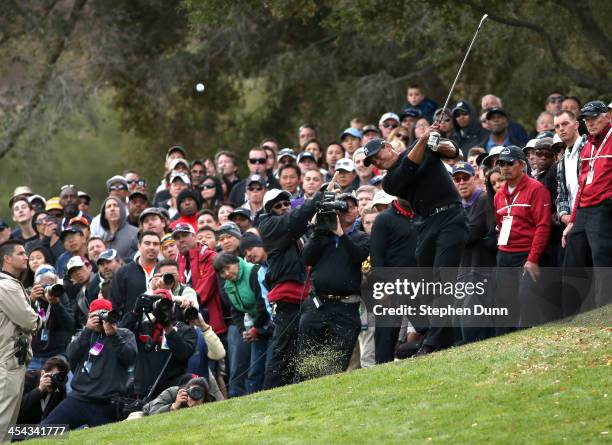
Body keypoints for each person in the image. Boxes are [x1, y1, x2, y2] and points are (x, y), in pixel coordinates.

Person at [363, 122, 467, 356]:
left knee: (443, 278)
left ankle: (432, 343)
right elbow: (409, 167)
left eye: (377, 156)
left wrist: (439, 142)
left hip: (451, 216)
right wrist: (423, 139)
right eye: (374, 163)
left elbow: (454, 153)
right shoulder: (390, 182)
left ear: (388, 146)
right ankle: (445, 337)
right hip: (427, 222)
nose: (378, 163)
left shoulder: (422, 146)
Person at [297, 193, 368, 380]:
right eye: (342, 207)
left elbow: (357, 255)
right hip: (318, 305)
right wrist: (319, 229)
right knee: (307, 360)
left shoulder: (362, 237)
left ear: (358, 211)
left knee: (335, 366)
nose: (347, 210)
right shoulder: (322, 236)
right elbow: (306, 258)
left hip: (347, 308)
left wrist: (341, 234)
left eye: (352, 207)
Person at [259, 188, 321, 389]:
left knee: (306, 346)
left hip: (305, 297)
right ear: (270, 212)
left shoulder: (299, 232)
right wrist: (318, 198)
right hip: (286, 298)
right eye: (278, 206)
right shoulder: (268, 225)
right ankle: (270, 392)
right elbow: (294, 219)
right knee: (282, 349)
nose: (284, 208)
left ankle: (301, 388)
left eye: (287, 203)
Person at [42, 299, 137, 429]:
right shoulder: (85, 335)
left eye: (103, 315)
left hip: (106, 403)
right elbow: (71, 355)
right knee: (44, 430)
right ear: (88, 317)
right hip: (79, 399)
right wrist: (87, 330)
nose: (100, 319)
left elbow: (130, 359)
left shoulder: (124, 334)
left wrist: (114, 336)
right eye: (95, 316)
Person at [493, 146, 552, 328]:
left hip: (527, 255)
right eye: (501, 164)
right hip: (504, 255)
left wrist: (533, 259)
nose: (505, 167)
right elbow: (501, 224)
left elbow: (543, 226)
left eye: (510, 163)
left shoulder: (536, 189)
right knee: (504, 307)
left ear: (522, 165)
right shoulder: (499, 195)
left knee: (527, 303)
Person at [562, 100, 612, 314]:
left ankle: (604, 307)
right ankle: (573, 312)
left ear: (606, 116)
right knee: (573, 255)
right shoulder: (587, 145)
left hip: (604, 206)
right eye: (586, 119)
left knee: (602, 257)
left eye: (594, 118)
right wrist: (572, 219)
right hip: (583, 209)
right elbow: (582, 184)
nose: (590, 123)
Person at [0, 240, 42, 443]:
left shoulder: (10, 284)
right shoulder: (6, 285)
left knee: (8, 422)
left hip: (12, 358)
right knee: (3, 420)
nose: (26, 257)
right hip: (6, 361)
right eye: (21, 253)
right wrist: (39, 318)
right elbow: (29, 320)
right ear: (7, 258)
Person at [120, 289, 196, 399]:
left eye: (165, 303)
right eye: (158, 302)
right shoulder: (142, 326)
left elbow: (183, 353)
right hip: (142, 390)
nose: (161, 307)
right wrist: (135, 312)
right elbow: (121, 335)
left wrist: (167, 327)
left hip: (171, 390)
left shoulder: (184, 329)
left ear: (172, 306)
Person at [213, 253, 272, 395]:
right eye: (222, 272)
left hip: (270, 323)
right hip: (256, 328)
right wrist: (243, 331)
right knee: (255, 370)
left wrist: (255, 328)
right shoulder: (228, 285)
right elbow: (235, 310)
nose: (226, 273)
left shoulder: (253, 272)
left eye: (228, 268)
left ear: (236, 262)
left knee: (271, 366)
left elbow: (262, 303)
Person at [173, 224, 227, 336]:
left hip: (210, 323)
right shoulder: (176, 261)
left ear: (194, 236)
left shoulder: (211, 257)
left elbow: (203, 293)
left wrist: (181, 301)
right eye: (177, 238)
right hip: (185, 323)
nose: (181, 240)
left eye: (184, 235)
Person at [28, 265, 74, 371]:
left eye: (51, 284)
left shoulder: (61, 297)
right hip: (33, 356)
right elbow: (22, 322)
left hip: (57, 355)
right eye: (44, 285)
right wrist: (31, 301)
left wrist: (56, 304)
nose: (47, 289)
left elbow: (70, 325)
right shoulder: (28, 298)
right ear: (35, 285)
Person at [111, 231, 161, 319]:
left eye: (155, 244)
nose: (151, 247)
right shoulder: (123, 272)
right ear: (139, 246)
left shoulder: (164, 271)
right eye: (147, 243)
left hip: (161, 327)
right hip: (131, 328)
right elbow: (115, 304)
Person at [554, 111, 586, 227]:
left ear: (576, 125)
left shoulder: (591, 148)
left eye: (565, 124)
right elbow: (561, 193)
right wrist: (563, 215)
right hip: (571, 222)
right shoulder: (561, 161)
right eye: (557, 126)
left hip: (591, 217)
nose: (561, 129)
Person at [18, 356, 69, 425]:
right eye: (54, 376)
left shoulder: (60, 388)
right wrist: (39, 389)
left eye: (59, 378)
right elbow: (20, 411)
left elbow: (61, 416)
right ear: (43, 373)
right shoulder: (28, 379)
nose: (55, 381)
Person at [141, 377, 211, 416]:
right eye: (193, 392)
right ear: (186, 392)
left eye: (199, 393)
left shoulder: (207, 403)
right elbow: (153, 414)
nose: (194, 396)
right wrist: (174, 406)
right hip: (145, 413)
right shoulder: (173, 392)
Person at [99, 196, 139, 260]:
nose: (112, 209)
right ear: (104, 215)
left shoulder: (135, 233)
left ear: (122, 210)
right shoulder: (102, 239)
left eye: (115, 205)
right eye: (109, 206)